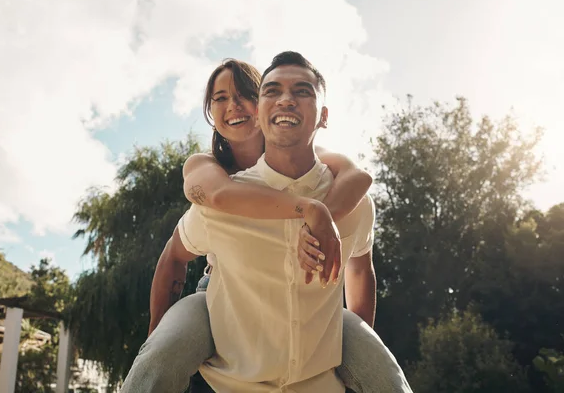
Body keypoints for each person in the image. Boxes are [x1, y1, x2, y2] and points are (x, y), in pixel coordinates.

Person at [121, 54, 412, 392]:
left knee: (384, 374)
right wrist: (156, 330)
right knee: (160, 355)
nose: (234, 106)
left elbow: (358, 178)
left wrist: (324, 216)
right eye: (220, 98)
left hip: (317, 313)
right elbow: (215, 199)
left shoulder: (334, 179)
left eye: (244, 94)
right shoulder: (210, 174)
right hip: (220, 288)